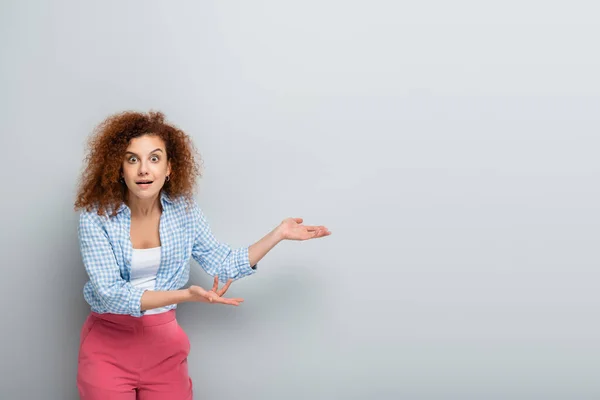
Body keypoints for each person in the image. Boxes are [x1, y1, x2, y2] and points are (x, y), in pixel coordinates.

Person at [73, 110, 331, 399]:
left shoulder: (184, 212)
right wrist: (184, 295)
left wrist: (278, 234)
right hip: (108, 347)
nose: (144, 169)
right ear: (119, 168)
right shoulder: (95, 216)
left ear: (169, 167)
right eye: (132, 159)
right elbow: (110, 293)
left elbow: (223, 262)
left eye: (154, 158)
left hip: (164, 348)